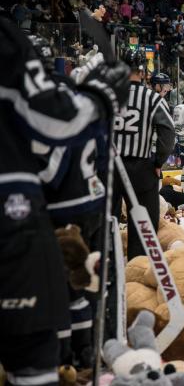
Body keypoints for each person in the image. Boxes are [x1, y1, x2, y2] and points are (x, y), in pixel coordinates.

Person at [0, 17, 129, 386]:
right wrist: (101, 96)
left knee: (74, 285)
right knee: (77, 288)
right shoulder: (54, 88)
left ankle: (73, 352)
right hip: (68, 208)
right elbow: (58, 128)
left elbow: (53, 164)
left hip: (64, 209)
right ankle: (79, 353)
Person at [29, 35, 108, 369]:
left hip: (66, 209)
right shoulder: (80, 97)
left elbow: (53, 166)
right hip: (95, 202)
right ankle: (90, 348)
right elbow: (104, 153)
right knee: (88, 281)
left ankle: (66, 355)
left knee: (63, 286)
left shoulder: (47, 100)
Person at [112, 49, 175, 261]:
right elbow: (168, 132)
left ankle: (109, 267)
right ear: (144, 72)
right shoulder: (152, 98)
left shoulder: (108, 94)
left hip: (110, 167)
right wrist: (158, 161)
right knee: (143, 226)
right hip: (141, 168)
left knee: (107, 223)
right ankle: (137, 272)